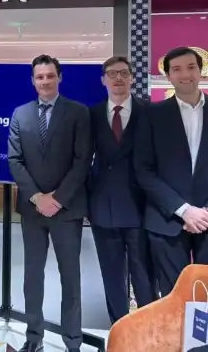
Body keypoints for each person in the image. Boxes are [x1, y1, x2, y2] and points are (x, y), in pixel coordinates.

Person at [8, 54, 92, 352]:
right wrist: (37, 197)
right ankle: (34, 338)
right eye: (39, 77)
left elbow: (82, 161)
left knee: (70, 278)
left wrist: (56, 199)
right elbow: (15, 161)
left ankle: (73, 341)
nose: (45, 81)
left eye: (50, 76)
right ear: (33, 81)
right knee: (32, 277)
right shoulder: (20, 114)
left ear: (59, 78)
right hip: (32, 210)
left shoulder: (78, 112)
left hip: (66, 209)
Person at [88, 56, 157, 324]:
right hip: (103, 208)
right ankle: (119, 328)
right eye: (112, 73)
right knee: (112, 275)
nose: (118, 78)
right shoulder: (92, 115)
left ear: (132, 78)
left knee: (144, 276)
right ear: (103, 80)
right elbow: (82, 160)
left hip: (142, 207)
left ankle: (148, 329)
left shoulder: (150, 112)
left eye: (124, 73)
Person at [135, 46, 208, 296]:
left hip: (207, 217)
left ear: (201, 71)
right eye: (176, 69)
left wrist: (203, 212)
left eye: (191, 67)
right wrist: (185, 210)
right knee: (173, 297)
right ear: (168, 76)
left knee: (205, 296)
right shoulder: (152, 114)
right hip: (167, 221)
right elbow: (143, 170)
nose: (185, 74)